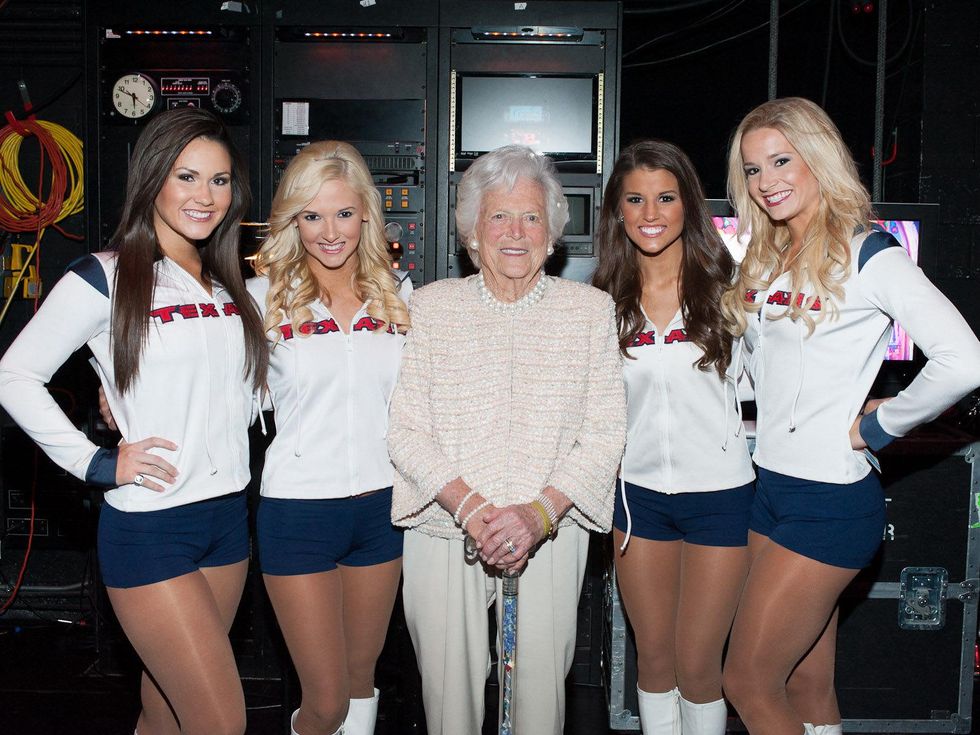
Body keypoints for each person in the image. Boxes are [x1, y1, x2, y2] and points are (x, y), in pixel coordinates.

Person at [0, 107, 268, 735]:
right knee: (221, 722)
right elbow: (14, 375)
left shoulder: (231, 286)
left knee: (165, 711)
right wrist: (95, 461)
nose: (206, 196)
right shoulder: (104, 277)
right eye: (188, 176)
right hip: (152, 529)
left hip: (228, 522)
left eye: (221, 180)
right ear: (153, 179)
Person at [718, 97, 980, 735]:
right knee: (807, 682)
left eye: (782, 160)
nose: (767, 180)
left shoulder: (869, 253)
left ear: (818, 158)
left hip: (831, 500)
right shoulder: (766, 259)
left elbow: (965, 358)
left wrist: (880, 426)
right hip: (768, 489)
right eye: (752, 170)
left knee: (747, 681)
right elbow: (759, 374)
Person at [386, 144, 626, 735]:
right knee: (448, 706)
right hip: (445, 529)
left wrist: (538, 515)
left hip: (550, 528)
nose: (515, 232)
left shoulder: (591, 311)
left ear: (551, 235)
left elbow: (605, 431)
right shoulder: (432, 307)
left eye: (531, 217)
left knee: (540, 708)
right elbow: (406, 429)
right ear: (472, 232)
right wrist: (471, 510)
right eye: (498, 217)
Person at [246, 141, 411, 735]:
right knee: (326, 700)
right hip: (297, 513)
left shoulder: (398, 297)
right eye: (311, 216)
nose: (329, 231)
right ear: (293, 220)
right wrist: (119, 394)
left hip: (381, 512)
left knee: (363, 682)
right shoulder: (260, 299)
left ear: (365, 213)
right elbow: (209, 383)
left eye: (342, 213)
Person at [592, 140, 754, 735]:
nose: (651, 214)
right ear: (618, 211)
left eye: (666, 197)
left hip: (722, 496)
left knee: (699, 664)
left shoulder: (729, 287)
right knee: (655, 659)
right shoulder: (600, 300)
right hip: (637, 501)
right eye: (635, 200)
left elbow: (782, 373)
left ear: (689, 203)